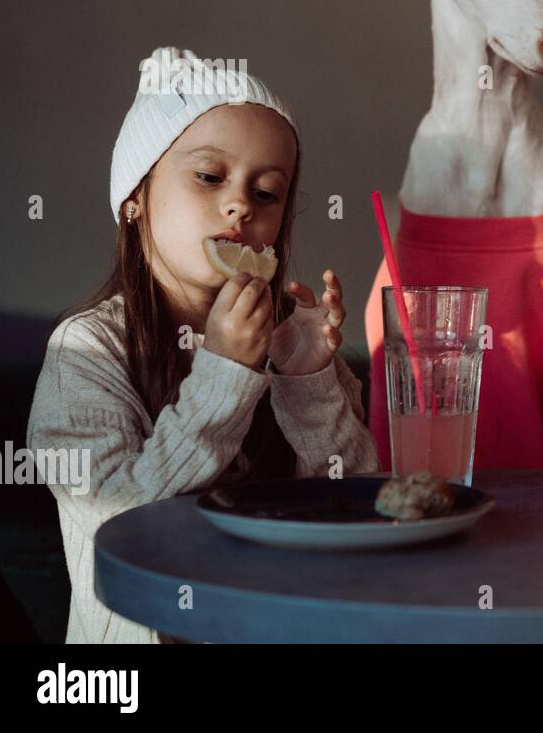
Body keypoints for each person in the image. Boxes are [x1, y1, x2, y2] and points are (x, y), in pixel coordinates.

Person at [28, 47, 379, 643]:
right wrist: (223, 375)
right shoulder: (82, 354)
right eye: (209, 177)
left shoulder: (289, 339)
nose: (240, 203)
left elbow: (364, 514)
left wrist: (309, 383)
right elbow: (122, 526)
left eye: (267, 193)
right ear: (134, 198)